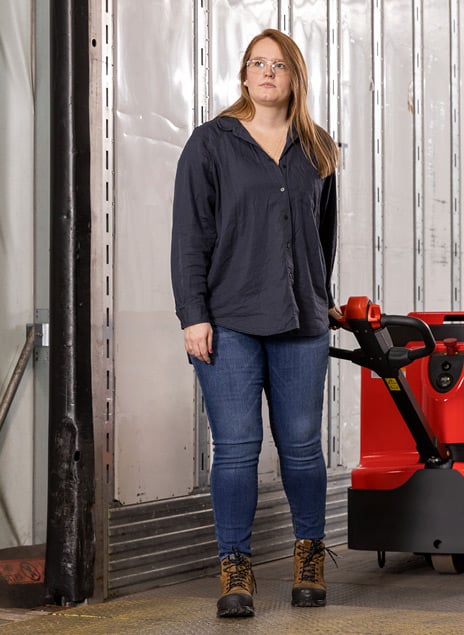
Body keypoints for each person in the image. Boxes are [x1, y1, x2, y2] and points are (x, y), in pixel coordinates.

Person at [170, 28, 341, 619]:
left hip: (301, 322)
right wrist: (194, 317)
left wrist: (322, 300)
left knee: (300, 447)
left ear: (295, 76)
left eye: (278, 65)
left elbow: (325, 238)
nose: (267, 73)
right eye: (256, 64)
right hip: (229, 321)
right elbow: (190, 239)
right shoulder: (210, 143)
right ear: (244, 75)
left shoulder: (318, 146)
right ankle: (236, 568)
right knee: (237, 449)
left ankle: (309, 558)